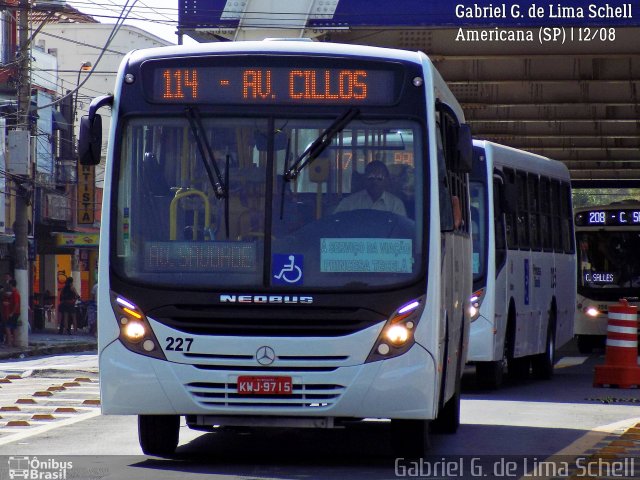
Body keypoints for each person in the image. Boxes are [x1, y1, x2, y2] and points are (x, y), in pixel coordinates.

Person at [334, 160, 407, 216]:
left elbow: (401, 230)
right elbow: (336, 224)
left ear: (387, 181)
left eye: (379, 178)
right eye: (371, 177)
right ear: (364, 179)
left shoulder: (396, 205)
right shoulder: (349, 203)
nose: (375, 182)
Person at [4, 279, 20, 348]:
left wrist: (12, 313)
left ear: (11, 284)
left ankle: (9, 343)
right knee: (14, 327)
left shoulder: (15, 293)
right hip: (16, 312)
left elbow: (16, 304)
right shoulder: (15, 293)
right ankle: (15, 342)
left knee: (7, 327)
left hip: (14, 312)